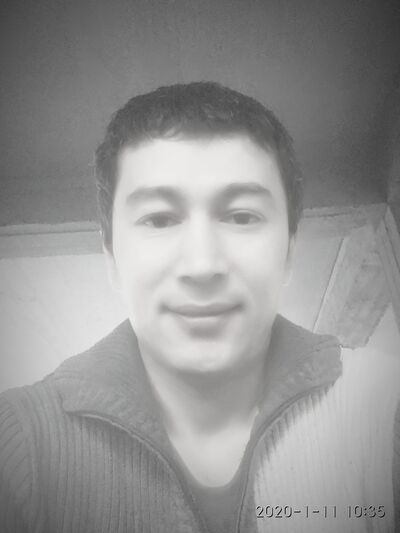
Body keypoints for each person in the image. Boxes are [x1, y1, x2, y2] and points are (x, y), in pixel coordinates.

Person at [0, 81, 399, 533]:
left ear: (289, 252)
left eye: (242, 216)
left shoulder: (385, 408)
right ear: (112, 259)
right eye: (159, 219)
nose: (202, 265)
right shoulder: (20, 441)